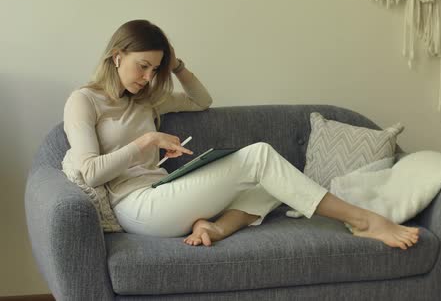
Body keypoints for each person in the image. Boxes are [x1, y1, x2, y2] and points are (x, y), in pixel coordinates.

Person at [63, 19, 420, 249]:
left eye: (155, 69)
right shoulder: (84, 101)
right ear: (116, 56)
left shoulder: (147, 101)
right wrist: (146, 141)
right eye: (142, 66)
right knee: (261, 156)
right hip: (136, 208)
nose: (147, 76)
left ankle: (216, 229)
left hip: (164, 193)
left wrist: (179, 67)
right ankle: (364, 220)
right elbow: (89, 171)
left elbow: (202, 101)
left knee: (274, 182)